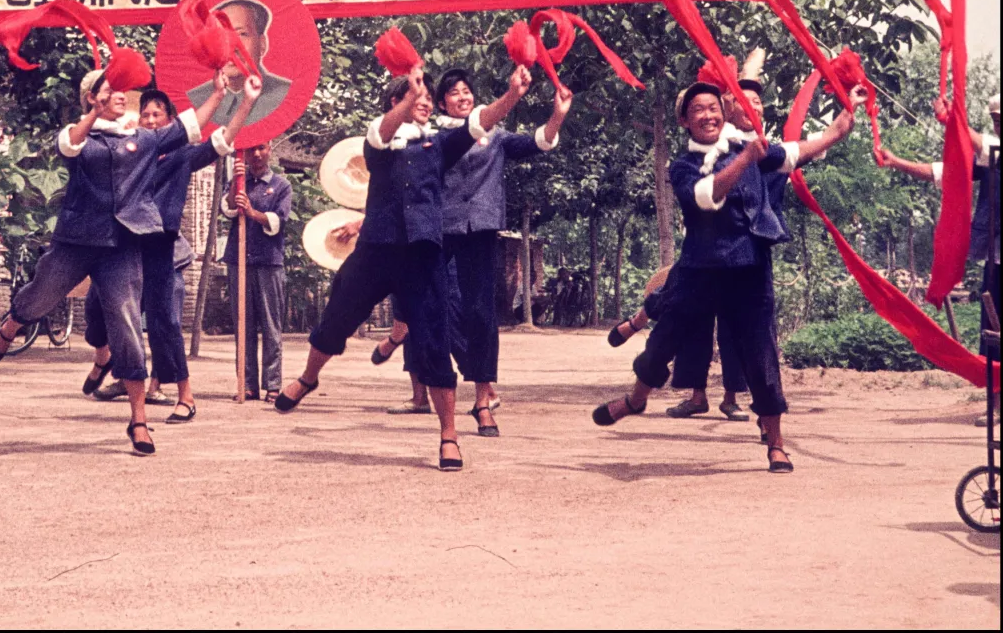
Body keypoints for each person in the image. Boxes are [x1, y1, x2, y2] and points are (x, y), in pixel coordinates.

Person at [590, 77, 866, 473]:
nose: (708, 114)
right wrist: (747, 157)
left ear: (724, 113)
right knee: (663, 341)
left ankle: (775, 441)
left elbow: (796, 151)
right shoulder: (683, 165)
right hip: (699, 269)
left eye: (713, 108)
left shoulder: (746, 147)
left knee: (762, 356)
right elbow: (707, 195)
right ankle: (636, 400)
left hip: (749, 269)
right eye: (698, 109)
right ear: (685, 121)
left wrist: (843, 121)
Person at [0, 65, 259, 456]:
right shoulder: (82, 135)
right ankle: (11, 324)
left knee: (129, 324)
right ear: (91, 98)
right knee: (41, 297)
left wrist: (219, 94)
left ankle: (138, 421)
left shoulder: (143, 141)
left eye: (121, 90)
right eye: (111, 90)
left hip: (123, 246)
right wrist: (94, 114)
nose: (122, 95)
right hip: (77, 240)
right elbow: (68, 144)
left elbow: (191, 127)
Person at [275, 65, 523, 472]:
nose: (425, 103)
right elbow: (381, 132)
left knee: (433, 343)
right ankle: (307, 378)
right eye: (416, 98)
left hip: (422, 258)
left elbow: (479, 122)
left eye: (426, 99)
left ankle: (448, 436)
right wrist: (410, 96)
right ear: (397, 103)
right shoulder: (378, 143)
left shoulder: (440, 145)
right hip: (375, 251)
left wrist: (512, 94)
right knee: (335, 320)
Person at [389, 67, 571, 435]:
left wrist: (557, 116)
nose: (463, 96)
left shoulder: (497, 136)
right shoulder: (433, 137)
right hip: (441, 230)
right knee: (438, 310)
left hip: (482, 229)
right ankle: (440, 398)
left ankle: (483, 400)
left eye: (467, 91)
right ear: (442, 102)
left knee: (482, 314)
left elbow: (537, 142)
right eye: (454, 93)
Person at [84, 88, 233, 423]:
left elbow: (220, 142)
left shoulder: (180, 157)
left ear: (169, 121)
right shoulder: (129, 153)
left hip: (160, 247)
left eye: (157, 115)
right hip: (123, 245)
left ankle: (186, 396)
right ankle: (105, 361)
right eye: (146, 115)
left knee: (165, 322)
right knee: (96, 307)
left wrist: (243, 103)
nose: (150, 120)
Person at [880, 92, 1000, 424]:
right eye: (995, 120)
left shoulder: (991, 151)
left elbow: (982, 144)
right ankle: (997, 404)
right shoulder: (989, 157)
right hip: (996, 259)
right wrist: (897, 162)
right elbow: (943, 171)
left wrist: (953, 121)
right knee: (993, 331)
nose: (999, 125)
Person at [223, 141, 294, 402]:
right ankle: (247, 383)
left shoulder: (281, 185)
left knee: (271, 324)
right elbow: (228, 209)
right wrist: (236, 180)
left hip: (268, 261)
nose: (256, 154)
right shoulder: (239, 182)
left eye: (261, 148)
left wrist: (253, 213)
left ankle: (272, 384)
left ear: (270, 149)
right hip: (239, 260)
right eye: (250, 149)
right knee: (244, 324)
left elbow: (279, 220)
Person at [184, 0, 293, 128]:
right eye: (220, 36)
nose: (231, 46)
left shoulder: (285, 94)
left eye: (242, 34)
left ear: (262, 44)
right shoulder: (198, 98)